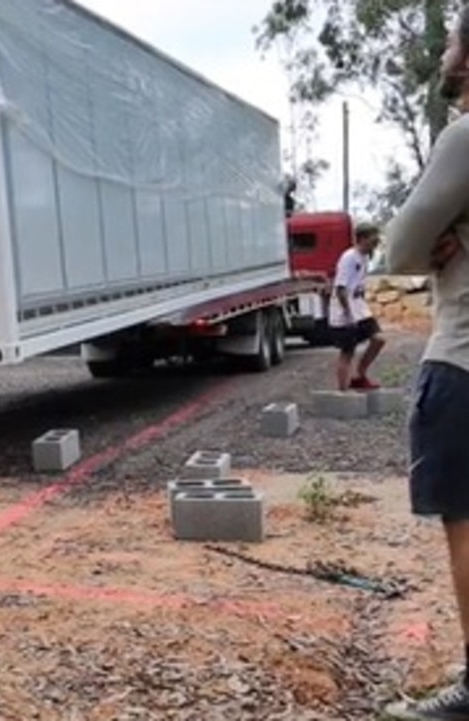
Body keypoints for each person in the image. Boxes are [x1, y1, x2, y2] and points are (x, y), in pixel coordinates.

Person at [380, 7, 469, 718]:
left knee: (466, 524)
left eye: (450, 40)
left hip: (463, 361)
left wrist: (434, 242)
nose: (442, 50)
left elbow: (399, 249)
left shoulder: (464, 136)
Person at [328, 222, 386, 391]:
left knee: (378, 339)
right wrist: (348, 314)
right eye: (372, 239)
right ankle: (343, 390)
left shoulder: (365, 257)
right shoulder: (349, 257)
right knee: (347, 352)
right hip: (345, 311)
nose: (375, 242)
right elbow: (340, 288)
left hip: (359, 307)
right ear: (362, 239)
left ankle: (360, 374)